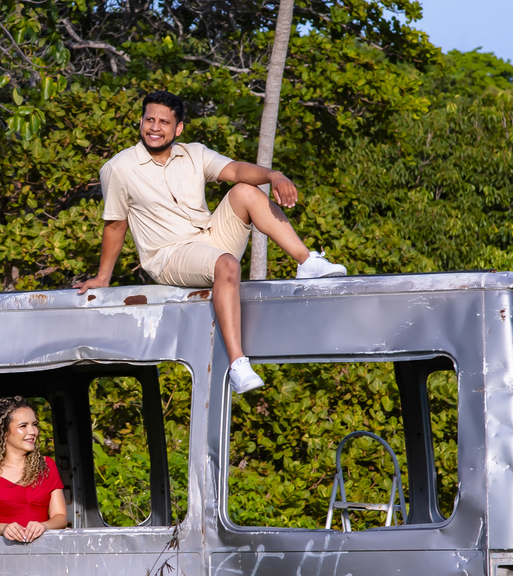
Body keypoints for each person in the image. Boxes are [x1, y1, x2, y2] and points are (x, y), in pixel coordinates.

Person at [74, 89, 346, 393]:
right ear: (141, 122)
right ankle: (238, 364)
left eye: (163, 122)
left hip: (207, 238)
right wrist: (102, 277)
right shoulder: (118, 167)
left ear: (177, 129)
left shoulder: (193, 153)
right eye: (149, 119)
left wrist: (274, 175)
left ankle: (306, 262)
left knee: (245, 191)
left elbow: (236, 170)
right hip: (168, 256)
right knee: (227, 264)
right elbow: (115, 224)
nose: (154, 127)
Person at [0, 396, 68, 543]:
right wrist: (4, 528)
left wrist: (44, 526)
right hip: (4, 554)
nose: (33, 431)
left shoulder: (47, 465)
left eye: (34, 424)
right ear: (4, 431)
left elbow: (61, 517)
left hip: (47, 551)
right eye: (23, 426)